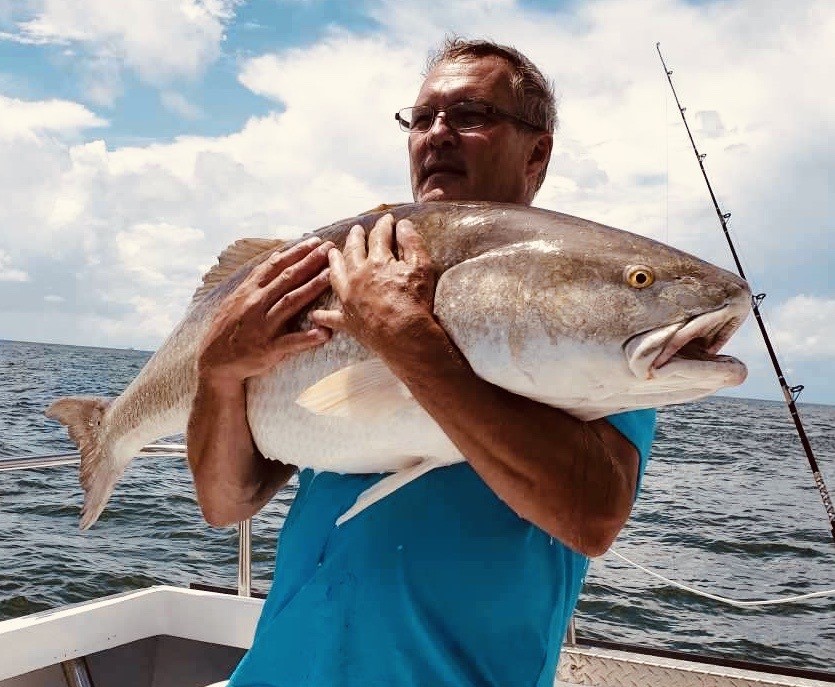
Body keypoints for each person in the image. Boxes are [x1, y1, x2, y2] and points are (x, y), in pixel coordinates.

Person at [187, 37, 656, 687]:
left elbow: (591, 514)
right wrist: (218, 367)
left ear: (537, 151)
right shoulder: (349, 273)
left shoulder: (579, 326)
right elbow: (225, 501)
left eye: (468, 114)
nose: (436, 134)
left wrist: (405, 335)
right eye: (422, 117)